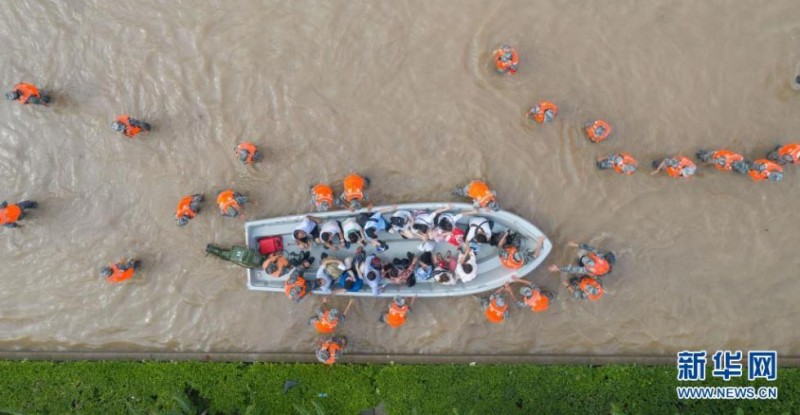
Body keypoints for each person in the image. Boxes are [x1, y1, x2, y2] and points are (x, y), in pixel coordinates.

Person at [548, 242, 615, 278]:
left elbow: (573, 269)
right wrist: (577, 245)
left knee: (583, 264)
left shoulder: (588, 267)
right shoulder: (600, 257)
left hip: (596, 270)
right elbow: (590, 248)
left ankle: (581, 260)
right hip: (601, 270)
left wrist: (558, 268)